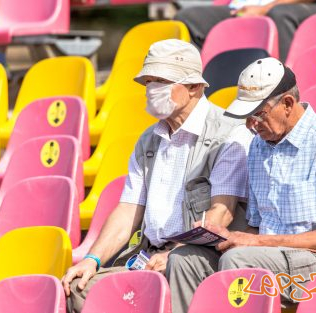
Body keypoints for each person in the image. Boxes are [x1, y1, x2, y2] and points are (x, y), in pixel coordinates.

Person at [166, 57, 316, 311]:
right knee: (183, 260)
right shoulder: (259, 146)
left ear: (287, 103)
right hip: (278, 257)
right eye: (246, 116)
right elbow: (259, 230)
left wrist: (256, 243)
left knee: (240, 260)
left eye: (257, 114)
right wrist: (225, 236)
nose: (250, 125)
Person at [61, 39, 253, 312]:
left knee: (179, 264)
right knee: (78, 290)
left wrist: (173, 253)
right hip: (150, 253)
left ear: (194, 87)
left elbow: (221, 215)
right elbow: (129, 209)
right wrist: (91, 259)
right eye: (148, 82)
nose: (152, 90)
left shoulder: (229, 134)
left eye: (161, 81)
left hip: (202, 255)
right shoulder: (148, 140)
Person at [175, 0, 316, 63]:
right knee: (189, 18)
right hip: (249, 6)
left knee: (279, 15)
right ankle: (197, 92)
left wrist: (267, 7)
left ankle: (281, 91)